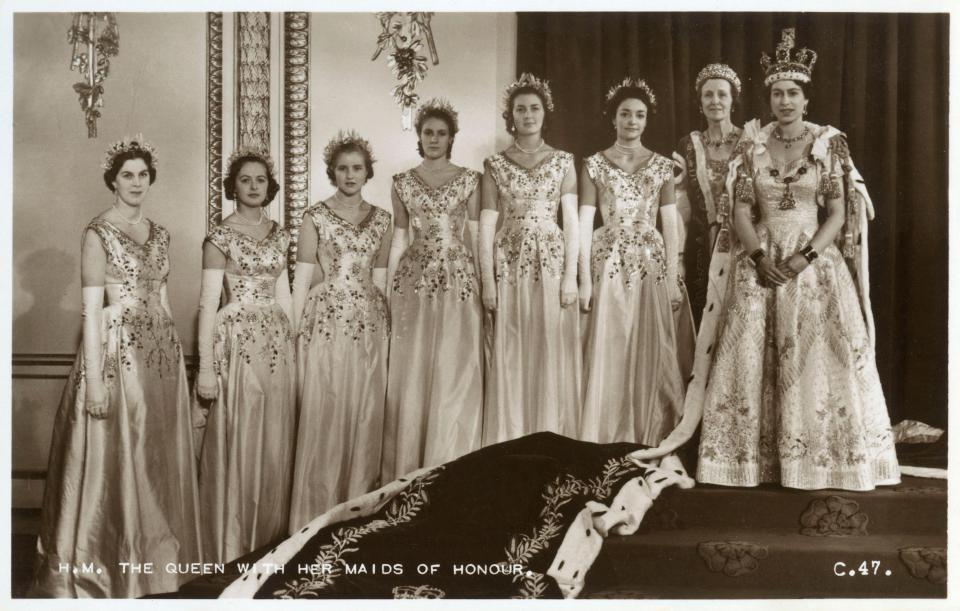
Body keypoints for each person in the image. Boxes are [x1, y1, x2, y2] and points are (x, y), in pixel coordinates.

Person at [632, 29, 900, 491]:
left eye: (792, 93)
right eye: (776, 93)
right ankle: (749, 462)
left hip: (814, 263)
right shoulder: (751, 144)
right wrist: (757, 255)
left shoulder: (827, 143)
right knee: (750, 357)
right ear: (768, 98)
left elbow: (836, 212)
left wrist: (806, 256)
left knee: (817, 358)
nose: (784, 101)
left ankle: (820, 459)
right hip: (759, 257)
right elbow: (738, 208)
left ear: (805, 98)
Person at [31, 136, 202, 597]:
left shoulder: (162, 233)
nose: (136, 182)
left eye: (143, 174)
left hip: (159, 358)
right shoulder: (97, 232)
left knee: (155, 459)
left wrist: (177, 364)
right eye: (127, 174)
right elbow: (91, 311)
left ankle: (158, 567)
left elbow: (163, 301)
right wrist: (94, 384)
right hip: (114, 353)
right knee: (120, 459)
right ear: (112, 180)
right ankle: (110, 566)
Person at [193, 148, 297, 563]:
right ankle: (232, 541)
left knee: (274, 436)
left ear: (269, 187)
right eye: (245, 180)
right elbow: (206, 304)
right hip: (234, 342)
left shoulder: (281, 233)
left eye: (259, 180)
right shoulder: (219, 236)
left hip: (275, 340)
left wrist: (293, 344)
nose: (253, 187)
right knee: (241, 432)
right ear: (232, 187)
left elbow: (285, 293)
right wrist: (204, 369)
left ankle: (269, 538)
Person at [288, 131, 392, 530]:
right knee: (327, 411)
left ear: (367, 173)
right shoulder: (314, 217)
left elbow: (380, 281)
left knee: (365, 414)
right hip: (326, 320)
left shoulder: (382, 218)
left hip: (369, 323)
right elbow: (301, 282)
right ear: (332, 171)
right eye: (343, 168)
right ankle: (315, 517)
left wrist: (385, 331)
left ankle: (356, 518)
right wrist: (295, 332)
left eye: (357, 168)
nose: (350, 175)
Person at [577, 78, 686, 446]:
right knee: (610, 340)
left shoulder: (661, 166)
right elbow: (583, 219)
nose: (632, 121)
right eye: (626, 114)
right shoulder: (594, 164)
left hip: (649, 263)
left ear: (646, 120)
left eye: (639, 115)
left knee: (648, 345)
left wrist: (672, 277)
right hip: (606, 259)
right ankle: (606, 433)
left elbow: (670, 225)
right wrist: (583, 279)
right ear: (614, 118)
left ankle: (648, 432)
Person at [381, 99, 483, 482]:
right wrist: (389, 290)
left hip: (458, 276)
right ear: (419, 137)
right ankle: (412, 463)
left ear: (452, 137)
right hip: (414, 280)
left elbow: (475, 235)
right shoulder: (402, 182)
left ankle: (453, 459)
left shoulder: (471, 179)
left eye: (442, 133)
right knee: (417, 365)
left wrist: (484, 285)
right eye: (428, 133)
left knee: (455, 363)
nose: (435, 139)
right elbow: (399, 239)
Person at [479, 73, 581, 444]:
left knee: (549, 343)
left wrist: (571, 277)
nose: (528, 114)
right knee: (513, 341)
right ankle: (511, 435)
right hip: (508, 261)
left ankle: (550, 432)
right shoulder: (495, 165)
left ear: (545, 113)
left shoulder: (563, 161)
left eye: (534, 108)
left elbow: (571, 222)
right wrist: (487, 282)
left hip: (551, 260)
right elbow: (487, 226)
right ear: (511, 116)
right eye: (520, 109)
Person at [673, 63, 745, 329]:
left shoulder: (752, 140)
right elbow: (681, 204)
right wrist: (678, 256)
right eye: (708, 95)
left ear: (732, 100)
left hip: (744, 242)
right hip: (703, 247)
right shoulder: (688, 144)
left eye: (722, 94)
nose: (715, 101)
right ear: (700, 101)